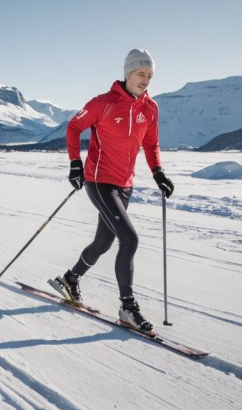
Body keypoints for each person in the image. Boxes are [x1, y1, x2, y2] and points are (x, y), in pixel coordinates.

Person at [49, 49, 175, 335]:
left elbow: (151, 145)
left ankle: (70, 279)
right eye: (141, 74)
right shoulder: (102, 103)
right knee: (129, 239)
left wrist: (158, 173)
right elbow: (73, 127)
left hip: (125, 184)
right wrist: (75, 164)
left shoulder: (150, 108)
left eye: (150, 75)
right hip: (99, 180)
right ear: (128, 73)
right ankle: (127, 307)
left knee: (103, 243)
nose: (146, 80)